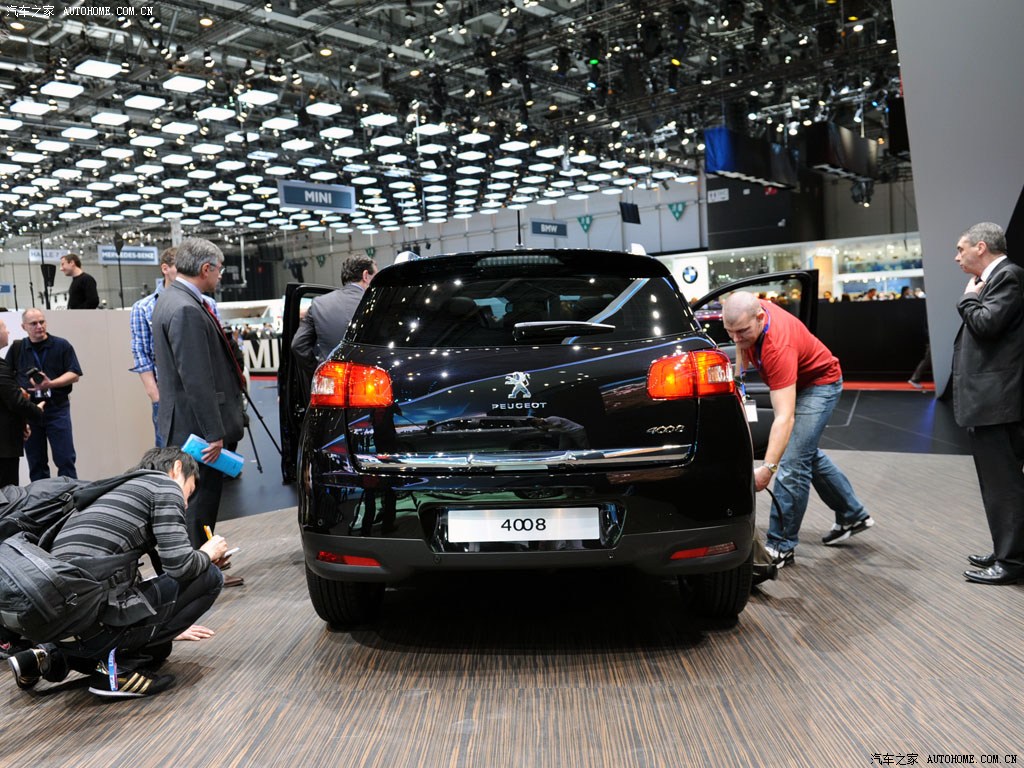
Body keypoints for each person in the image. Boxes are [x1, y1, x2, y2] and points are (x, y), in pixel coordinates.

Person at [6, 447, 231, 699]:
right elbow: (181, 566)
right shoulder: (165, 486)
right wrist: (207, 553)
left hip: (61, 625)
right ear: (177, 467)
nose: (186, 503)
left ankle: (45, 656)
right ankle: (115, 673)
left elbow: (121, 574)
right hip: (92, 621)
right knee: (210, 576)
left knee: (159, 650)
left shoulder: (108, 491)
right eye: (189, 490)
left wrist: (165, 626)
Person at [722, 291, 873, 567]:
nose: (736, 339)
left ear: (760, 318)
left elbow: (784, 418)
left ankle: (780, 546)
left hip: (819, 385)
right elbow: (740, 346)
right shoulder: (749, 313)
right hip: (798, 381)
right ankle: (852, 514)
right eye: (729, 332)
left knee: (792, 462)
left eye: (742, 331)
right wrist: (737, 379)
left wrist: (767, 469)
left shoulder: (777, 347)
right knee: (805, 452)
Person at [151, 238, 245, 590]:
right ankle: (199, 575)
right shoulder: (186, 308)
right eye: (219, 270)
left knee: (192, 500)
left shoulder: (171, 299)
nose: (220, 276)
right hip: (197, 425)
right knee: (200, 501)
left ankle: (200, 568)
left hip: (183, 419)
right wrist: (213, 432)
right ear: (206, 268)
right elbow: (196, 377)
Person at [952, 222, 1024, 585]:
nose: (957, 257)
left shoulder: (1008, 276)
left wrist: (968, 297)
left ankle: (1011, 562)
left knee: (1003, 485)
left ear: (981, 247)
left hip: (998, 402)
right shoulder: (997, 279)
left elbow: (987, 324)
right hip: (994, 401)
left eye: (961, 249)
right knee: (1000, 483)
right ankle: (1006, 550)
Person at [4, 308, 83, 481]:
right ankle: (41, 496)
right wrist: (20, 391)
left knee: (65, 458)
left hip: (57, 408)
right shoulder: (18, 348)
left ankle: (70, 493)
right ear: (24, 327)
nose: (39, 326)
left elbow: (75, 374)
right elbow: (7, 378)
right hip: (30, 411)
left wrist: (50, 384)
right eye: (33, 323)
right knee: (36, 462)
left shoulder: (61, 345)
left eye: (42, 322)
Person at [291, 255, 377, 381]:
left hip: (329, 382)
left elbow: (298, 345)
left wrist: (319, 371)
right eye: (375, 277)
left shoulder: (318, 304)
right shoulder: (377, 304)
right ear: (365, 276)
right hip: (369, 382)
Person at [129, 246, 177, 446]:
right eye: (179, 268)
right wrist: (155, 395)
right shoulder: (143, 308)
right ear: (165, 268)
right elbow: (141, 353)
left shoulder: (205, 303)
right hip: (165, 394)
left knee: (207, 455)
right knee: (167, 450)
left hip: (200, 394)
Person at [0, 319, 45, 486]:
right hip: (3, 447)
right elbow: (15, 401)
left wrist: (21, 423)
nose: (8, 332)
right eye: (4, 328)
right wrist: (37, 410)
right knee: (7, 494)